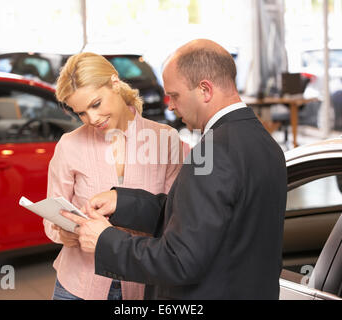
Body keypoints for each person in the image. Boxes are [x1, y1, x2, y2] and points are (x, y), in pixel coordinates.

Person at [62, 39, 288, 299]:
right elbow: (200, 220)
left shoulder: (212, 150)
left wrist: (106, 241)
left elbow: (179, 260)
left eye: (175, 95)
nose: (170, 105)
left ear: (205, 89)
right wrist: (124, 202)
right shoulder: (264, 142)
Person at [45, 52, 185, 300]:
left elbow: (175, 216)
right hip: (78, 285)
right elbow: (52, 217)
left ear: (115, 83)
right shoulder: (69, 145)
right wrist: (63, 233)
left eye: (96, 104)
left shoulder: (165, 140)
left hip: (142, 285)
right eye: (81, 113)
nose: (92, 119)